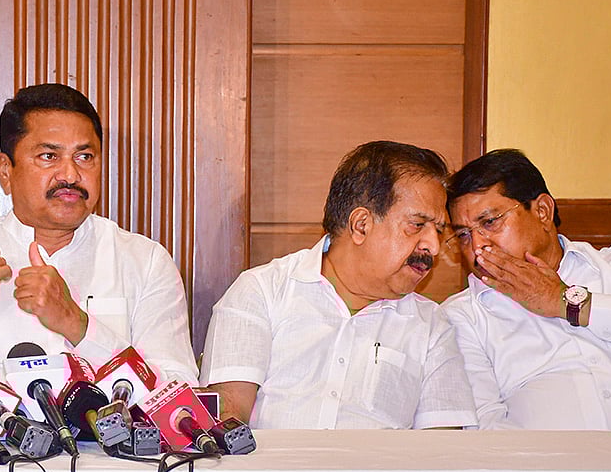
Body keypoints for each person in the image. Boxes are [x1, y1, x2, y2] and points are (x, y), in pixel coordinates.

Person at [0, 83, 197, 383]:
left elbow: (181, 396)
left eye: (85, 157)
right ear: (5, 170)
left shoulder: (145, 262)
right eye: (49, 156)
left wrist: (77, 324)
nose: (70, 175)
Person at [200, 141, 477, 429]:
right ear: (361, 225)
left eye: (440, 230)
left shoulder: (431, 325)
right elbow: (227, 423)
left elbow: (443, 448)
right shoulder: (262, 291)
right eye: (417, 225)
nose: (433, 246)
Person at [442, 149, 611, 441]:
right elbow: (484, 431)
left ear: (542, 211)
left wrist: (566, 302)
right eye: (463, 234)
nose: (477, 247)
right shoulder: (462, 317)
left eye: (490, 222)